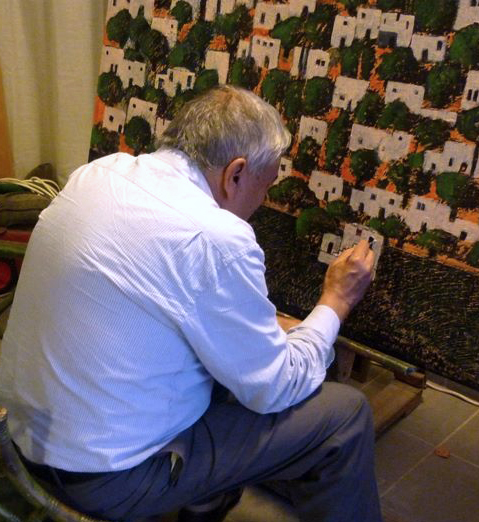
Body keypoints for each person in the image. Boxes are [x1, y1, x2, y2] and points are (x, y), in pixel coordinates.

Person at [0, 86, 381, 522]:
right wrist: (337, 300)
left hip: (20, 435)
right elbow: (276, 387)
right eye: (266, 185)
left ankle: (204, 501)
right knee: (345, 416)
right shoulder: (216, 238)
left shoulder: (98, 174)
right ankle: (194, 494)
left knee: (222, 362)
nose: (261, 203)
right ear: (236, 174)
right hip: (101, 480)